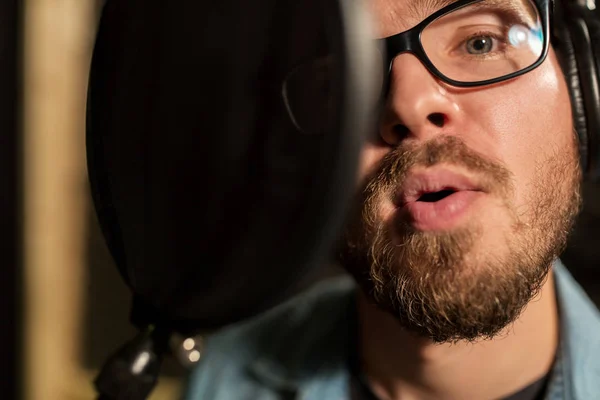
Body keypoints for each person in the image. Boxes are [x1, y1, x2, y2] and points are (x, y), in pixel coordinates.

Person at [184, 0, 600, 398]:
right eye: (342, 83)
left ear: (581, 89)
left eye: (481, 42)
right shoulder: (219, 380)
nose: (409, 104)